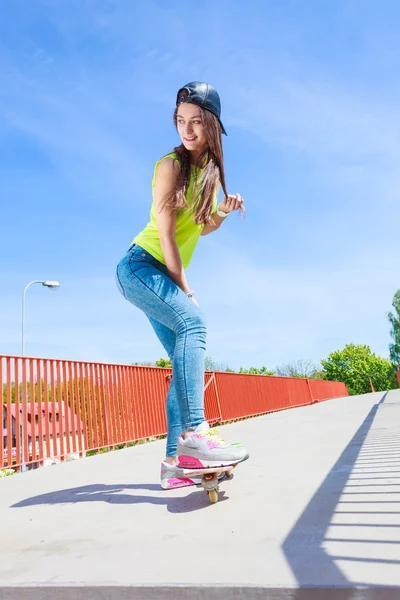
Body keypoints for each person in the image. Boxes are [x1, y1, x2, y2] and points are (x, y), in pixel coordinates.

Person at [116, 81, 249, 489]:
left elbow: (201, 227)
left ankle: (174, 463)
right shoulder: (169, 167)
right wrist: (185, 287)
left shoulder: (206, 173)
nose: (187, 130)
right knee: (194, 325)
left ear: (212, 125)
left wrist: (222, 213)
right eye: (180, 122)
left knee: (182, 360)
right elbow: (169, 235)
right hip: (141, 267)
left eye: (195, 122)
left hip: (155, 271)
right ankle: (196, 434)